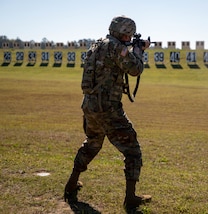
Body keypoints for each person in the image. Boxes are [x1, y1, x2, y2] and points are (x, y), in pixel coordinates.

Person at [64, 15, 151, 213]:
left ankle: (71, 184)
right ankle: (130, 198)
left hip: (90, 105)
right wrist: (139, 50)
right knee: (132, 150)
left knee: (92, 144)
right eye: (129, 35)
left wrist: (132, 48)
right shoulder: (117, 48)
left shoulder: (98, 44)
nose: (129, 39)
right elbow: (135, 69)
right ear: (124, 33)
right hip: (108, 108)